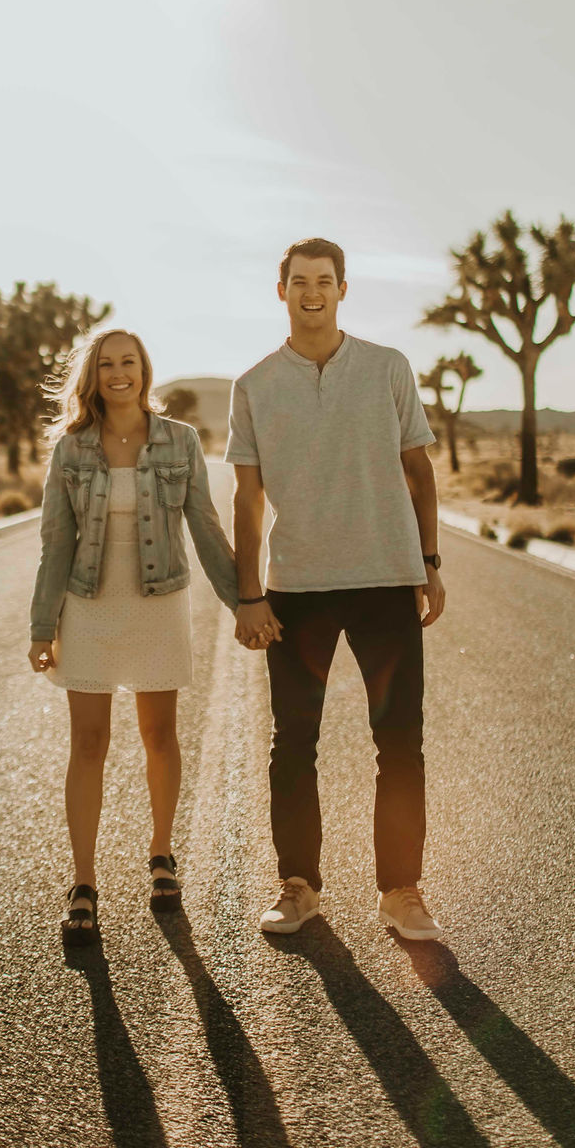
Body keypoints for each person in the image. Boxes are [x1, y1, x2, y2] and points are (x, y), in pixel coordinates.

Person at [226, 237, 446, 940]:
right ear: (281, 290)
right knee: (294, 741)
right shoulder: (254, 384)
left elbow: (419, 472)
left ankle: (401, 891)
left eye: (324, 281)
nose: (311, 292)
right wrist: (250, 592)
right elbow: (247, 500)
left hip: (386, 578)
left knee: (400, 741)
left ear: (343, 289)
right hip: (298, 588)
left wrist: (430, 561)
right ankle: (298, 887)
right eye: (299, 281)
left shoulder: (386, 368)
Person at [28, 329, 237, 945]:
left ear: (145, 371)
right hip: (87, 605)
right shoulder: (71, 449)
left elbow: (204, 524)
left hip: (158, 603)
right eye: (107, 364)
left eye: (130, 363)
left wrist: (243, 603)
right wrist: (44, 627)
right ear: (91, 376)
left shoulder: (181, 441)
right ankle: (84, 883)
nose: (120, 373)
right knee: (88, 742)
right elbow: (55, 542)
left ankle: (162, 855)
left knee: (160, 734)